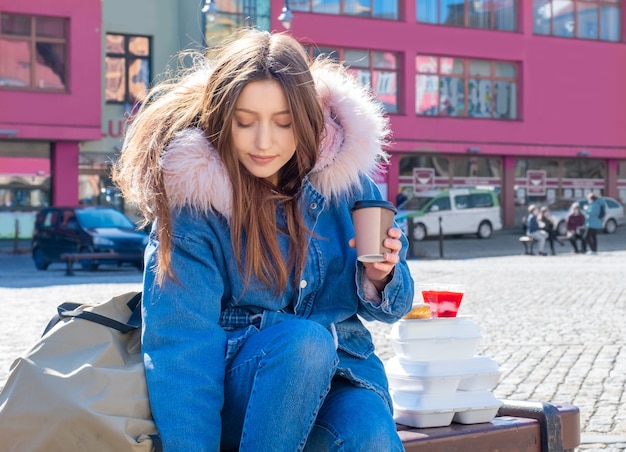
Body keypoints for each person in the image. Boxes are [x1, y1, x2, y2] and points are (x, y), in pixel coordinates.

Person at [112, 29, 414, 452]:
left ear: (307, 120)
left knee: (370, 433)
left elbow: (394, 308)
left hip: (343, 377)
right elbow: (181, 345)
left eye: (283, 122)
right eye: (245, 121)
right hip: (243, 392)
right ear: (221, 118)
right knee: (303, 344)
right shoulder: (195, 203)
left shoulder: (348, 181)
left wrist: (382, 276)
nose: (264, 142)